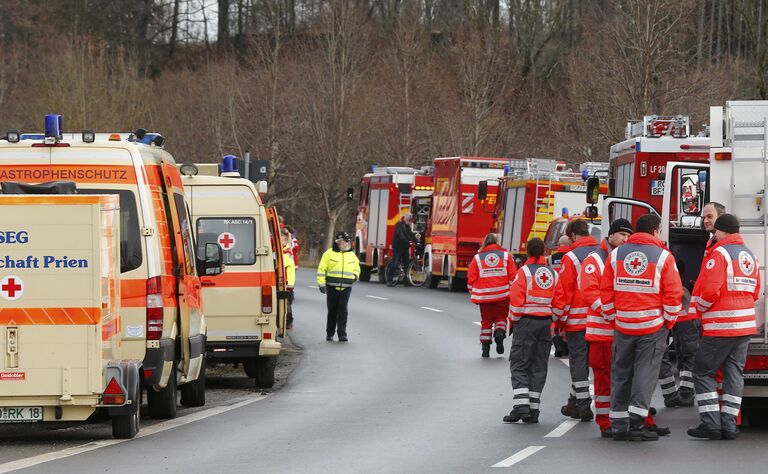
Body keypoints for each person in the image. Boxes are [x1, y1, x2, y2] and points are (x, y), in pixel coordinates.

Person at [600, 213, 683, 441]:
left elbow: (605, 290)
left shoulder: (616, 253)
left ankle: (618, 424)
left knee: (621, 374)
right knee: (644, 376)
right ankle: (636, 424)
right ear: (655, 231)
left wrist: (612, 317)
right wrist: (668, 321)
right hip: (652, 326)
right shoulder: (664, 257)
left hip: (623, 324)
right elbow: (673, 294)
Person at [688, 214, 761, 440]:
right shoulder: (750, 255)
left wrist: (698, 308)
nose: (714, 235)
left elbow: (710, 290)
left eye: (715, 231)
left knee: (702, 371)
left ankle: (711, 423)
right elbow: (756, 292)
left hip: (721, 325)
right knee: (733, 374)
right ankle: (729, 425)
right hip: (744, 326)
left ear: (722, 231)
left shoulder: (719, 254)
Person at [503, 238, 558, 424]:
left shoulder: (524, 272)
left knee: (519, 363)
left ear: (527, 252)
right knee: (538, 365)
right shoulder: (552, 273)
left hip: (526, 322)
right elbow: (559, 302)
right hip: (545, 324)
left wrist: (514, 321)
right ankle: (533, 409)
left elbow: (516, 302)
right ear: (543, 252)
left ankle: (521, 406)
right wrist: (554, 321)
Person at [552, 219, 598, 421]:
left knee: (578, 361)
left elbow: (564, 291)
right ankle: (573, 402)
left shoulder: (570, 257)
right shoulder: (601, 253)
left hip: (577, 320)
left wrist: (559, 321)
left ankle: (583, 404)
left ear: (572, 236)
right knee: (593, 361)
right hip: (599, 319)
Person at [467, 233, 517, 358]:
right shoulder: (506, 256)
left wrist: (473, 293)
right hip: (502, 294)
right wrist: (511, 292)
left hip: (484, 296)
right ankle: (499, 333)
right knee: (501, 316)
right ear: (497, 242)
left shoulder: (477, 258)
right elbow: (513, 276)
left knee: (486, 320)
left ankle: (485, 348)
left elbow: (471, 278)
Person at [317, 232, 360, 342]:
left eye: (343, 242)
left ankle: (342, 334)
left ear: (347, 242)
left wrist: (354, 277)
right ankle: (330, 333)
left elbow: (357, 269)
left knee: (343, 310)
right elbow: (322, 270)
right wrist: (321, 284)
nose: (341, 244)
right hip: (331, 287)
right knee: (332, 310)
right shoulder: (328, 254)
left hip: (346, 288)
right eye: (339, 242)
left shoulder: (352, 255)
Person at [388, 214, 419, 286]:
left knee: (406, 264)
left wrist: (417, 242)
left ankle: (406, 280)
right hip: (398, 247)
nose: (410, 222)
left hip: (405, 248)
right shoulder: (399, 225)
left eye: (411, 221)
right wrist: (407, 241)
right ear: (405, 219)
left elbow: (411, 235)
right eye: (409, 221)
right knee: (395, 263)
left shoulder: (407, 227)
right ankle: (389, 280)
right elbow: (400, 235)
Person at [281, 227, 296, 329]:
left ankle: (289, 322)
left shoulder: (287, 252)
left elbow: (283, 264)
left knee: (287, 304)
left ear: (286, 240)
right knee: (285, 303)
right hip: (286, 281)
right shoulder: (283, 250)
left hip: (288, 282)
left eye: (282, 239)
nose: (280, 241)